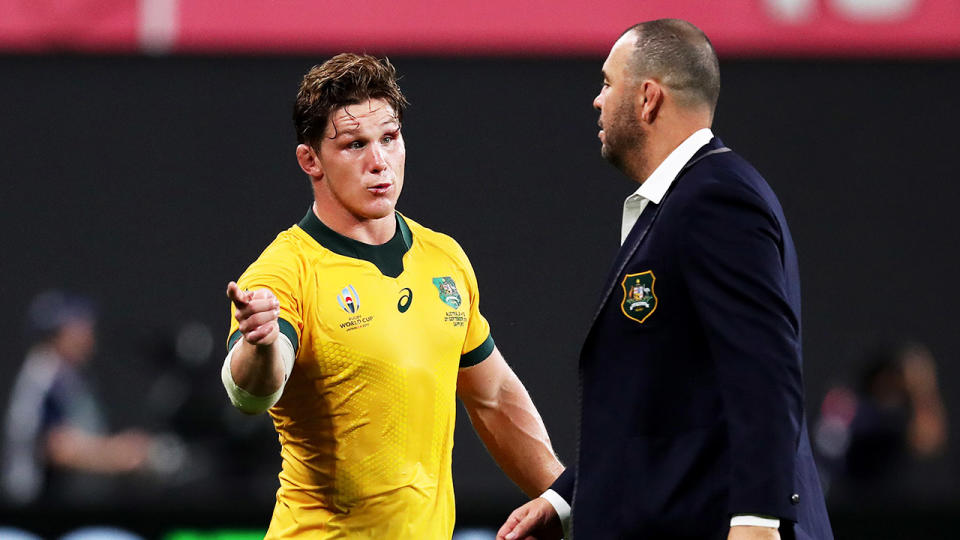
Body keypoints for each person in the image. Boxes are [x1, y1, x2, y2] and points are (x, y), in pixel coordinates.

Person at [498, 19, 832, 540]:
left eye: (608, 84)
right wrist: (565, 499)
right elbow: (663, 403)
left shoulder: (717, 200)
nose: (596, 100)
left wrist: (758, 520)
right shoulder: (681, 203)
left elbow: (765, 371)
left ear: (648, 99)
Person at [221, 53, 563, 539]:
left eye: (389, 138)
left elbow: (492, 396)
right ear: (310, 159)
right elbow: (253, 393)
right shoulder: (283, 270)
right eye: (354, 144)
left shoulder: (444, 258)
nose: (378, 161)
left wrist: (567, 497)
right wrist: (257, 343)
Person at [2, 291, 154, 506]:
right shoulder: (45, 374)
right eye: (79, 326)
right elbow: (57, 448)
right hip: (37, 504)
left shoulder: (70, 374)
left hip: (64, 500)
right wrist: (116, 454)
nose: (89, 334)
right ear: (58, 333)